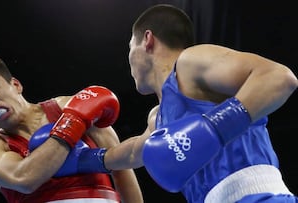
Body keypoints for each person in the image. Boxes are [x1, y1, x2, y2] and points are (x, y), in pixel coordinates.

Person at [73, 4, 298, 203]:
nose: (129, 59)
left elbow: (279, 77)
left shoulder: (189, 62)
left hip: (261, 196)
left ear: (147, 40)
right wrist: (82, 160)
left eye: (130, 46)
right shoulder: (158, 118)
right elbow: (132, 153)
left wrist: (215, 126)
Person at [0, 49, 143, 203]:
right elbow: (24, 179)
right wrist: (71, 124)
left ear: (15, 85)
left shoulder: (69, 107)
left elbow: (122, 169)